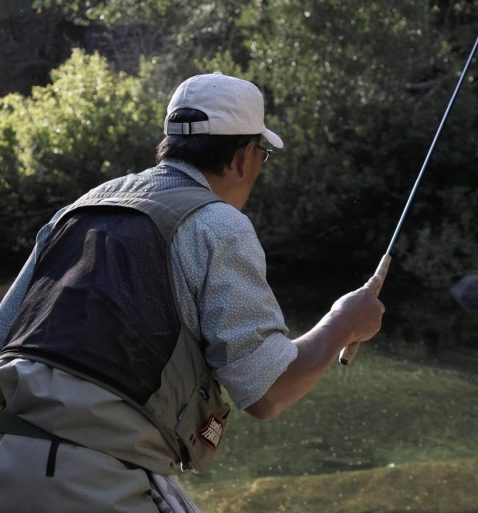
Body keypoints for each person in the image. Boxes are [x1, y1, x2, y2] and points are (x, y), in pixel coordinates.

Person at [0, 72, 385, 512]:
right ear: (244, 157)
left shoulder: (78, 210)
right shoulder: (219, 225)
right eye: (264, 154)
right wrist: (343, 323)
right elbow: (268, 392)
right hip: (90, 482)